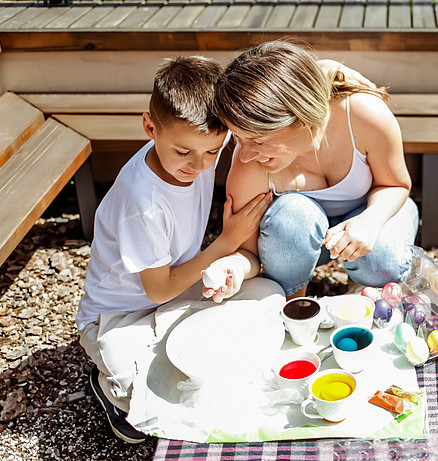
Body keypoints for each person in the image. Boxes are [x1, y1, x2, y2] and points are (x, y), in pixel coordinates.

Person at [76, 56, 283, 443]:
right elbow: (156, 290)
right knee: (145, 398)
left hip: (178, 286)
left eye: (211, 152)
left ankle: (174, 339)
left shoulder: (198, 147)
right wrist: (226, 242)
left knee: (269, 294)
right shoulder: (142, 202)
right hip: (121, 314)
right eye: (183, 152)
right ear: (149, 126)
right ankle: (105, 384)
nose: (198, 165)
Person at [213, 39, 419, 299]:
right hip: (304, 240)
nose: (244, 153)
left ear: (301, 118)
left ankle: (371, 292)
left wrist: (371, 220)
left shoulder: (364, 115)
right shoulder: (248, 167)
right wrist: (232, 266)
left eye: (258, 140)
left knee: (382, 256)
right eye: (238, 137)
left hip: (370, 210)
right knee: (292, 215)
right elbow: (249, 253)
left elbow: (396, 185)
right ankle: (293, 301)